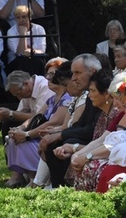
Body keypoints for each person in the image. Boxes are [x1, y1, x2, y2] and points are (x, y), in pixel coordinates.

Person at [4, 59, 72, 187]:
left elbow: (55, 121)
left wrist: (27, 135)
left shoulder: (67, 98)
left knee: (22, 143)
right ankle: (30, 178)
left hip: (52, 135)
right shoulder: (52, 99)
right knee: (12, 139)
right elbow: (36, 117)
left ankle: (38, 180)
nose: (48, 81)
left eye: (52, 79)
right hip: (41, 134)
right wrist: (20, 129)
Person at [57, 71, 126, 191]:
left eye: (93, 91)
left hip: (116, 156)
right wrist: (78, 153)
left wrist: (80, 152)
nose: (89, 95)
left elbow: (109, 145)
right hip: (106, 153)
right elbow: (100, 140)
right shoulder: (103, 114)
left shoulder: (116, 113)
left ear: (105, 94)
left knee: (90, 165)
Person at [41, 54, 103, 187]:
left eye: (77, 73)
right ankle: (57, 187)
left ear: (92, 72)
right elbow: (80, 124)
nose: (74, 78)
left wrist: (61, 135)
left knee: (66, 142)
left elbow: (92, 129)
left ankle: (64, 187)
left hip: (100, 138)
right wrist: (58, 135)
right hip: (90, 136)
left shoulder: (100, 92)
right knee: (55, 144)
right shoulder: (89, 93)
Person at [6, 5, 47, 75]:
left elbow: (42, 50)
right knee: (23, 60)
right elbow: (20, 53)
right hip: (17, 62)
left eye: (24, 17)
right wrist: (23, 34)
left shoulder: (39, 29)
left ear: (30, 17)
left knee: (36, 61)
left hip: (36, 58)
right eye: (18, 18)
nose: (21, 20)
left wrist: (32, 51)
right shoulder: (11, 31)